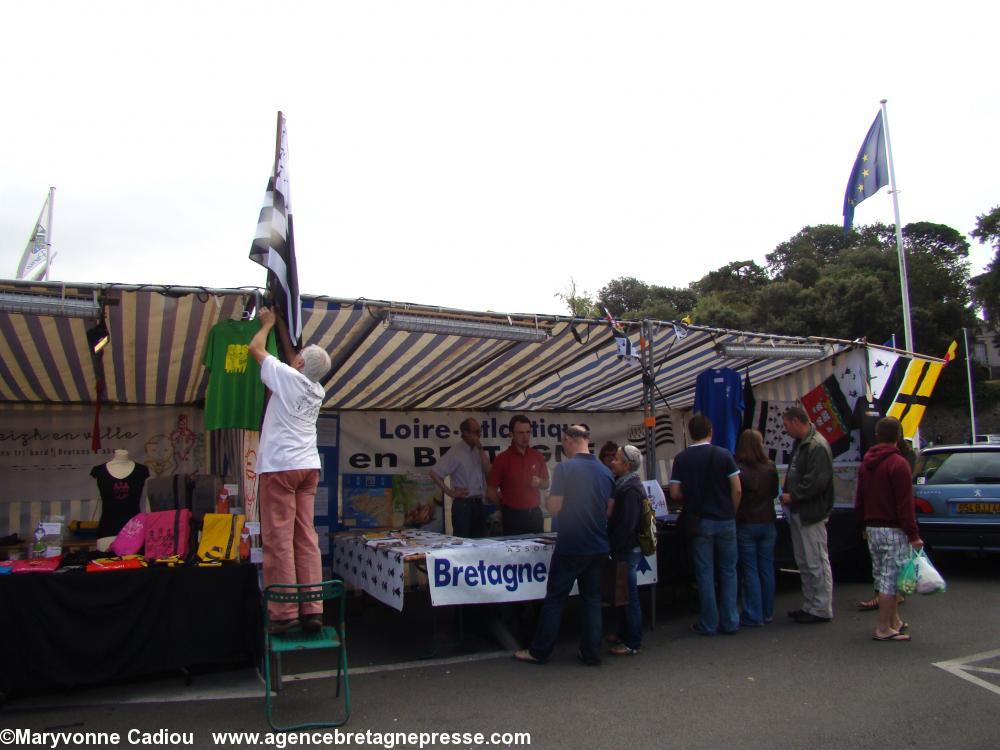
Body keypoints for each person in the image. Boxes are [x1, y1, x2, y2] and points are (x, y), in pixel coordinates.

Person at [249, 307, 332, 635]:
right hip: (308, 467)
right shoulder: (317, 389)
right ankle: (313, 608)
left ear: (299, 364)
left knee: (278, 538)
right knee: (306, 537)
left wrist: (267, 323)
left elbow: (255, 350)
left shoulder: (287, 378)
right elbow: (292, 360)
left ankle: (284, 613)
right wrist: (282, 326)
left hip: (281, 466)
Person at [514, 425, 614, 665]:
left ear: (569, 440)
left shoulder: (565, 469)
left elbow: (554, 507)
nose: (563, 447)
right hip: (598, 544)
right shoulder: (605, 471)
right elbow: (609, 511)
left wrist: (550, 498)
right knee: (592, 600)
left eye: (563, 442)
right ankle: (590, 653)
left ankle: (540, 651)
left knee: (556, 599)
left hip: (571, 544)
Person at [669, 414, 742, 635]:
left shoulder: (682, 458)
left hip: (699, 521)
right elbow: (737, 488)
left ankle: (709, 622)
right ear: (710, 430)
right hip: (725, 519)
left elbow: (674, 492)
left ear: (690, 432)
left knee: (705, 573)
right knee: (729, 571)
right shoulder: (724, 454)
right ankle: (730, 620)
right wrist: (732, 511)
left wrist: (691, 495)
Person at [855, 417, 923, 641]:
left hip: (873, 527)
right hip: (893, 528)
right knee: (890, 581)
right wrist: (913, 535)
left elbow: (860, 497)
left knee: (881, 575)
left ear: (877, 436)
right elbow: (905, 504)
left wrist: (863, 524)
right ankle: (883, 628)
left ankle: (895, 621)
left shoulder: (867, 462)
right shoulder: (899, 464)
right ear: (899, 436)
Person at [780, 405, 835, 624]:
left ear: (795, 421)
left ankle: (821, 607)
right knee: (804, 561)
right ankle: (810, 604)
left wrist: (793, 496)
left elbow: (816, 482)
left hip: (811, 512)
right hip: (800, 512)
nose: (785, 429)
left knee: (816, 561)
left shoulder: (816, 446)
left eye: (786, 425)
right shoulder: (801, 444)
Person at [734, 429, 779, 626]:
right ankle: (768, 612)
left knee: (750, 570)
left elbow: (736, 493)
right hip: (767, 520)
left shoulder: (738, 469)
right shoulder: (770, 466)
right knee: (766, 568)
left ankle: (754, 613)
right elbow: (774, 492)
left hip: (746, 522)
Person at [606, 444, 645, 655]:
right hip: (625, 548)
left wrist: (615, 544)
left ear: (627, 465)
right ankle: (624, 633)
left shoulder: (629, 489)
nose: (613, 462)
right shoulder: (624, 485)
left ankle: (632, 641)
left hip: (626, 549)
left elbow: (626, 524)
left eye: (617, 460)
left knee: (629, 596)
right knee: (622, 593)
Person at [487, 415, 550, 535]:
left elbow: (546, 483)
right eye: (521, 433)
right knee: (514, 553)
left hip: (535, 515)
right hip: (512, 517)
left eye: (528, 432)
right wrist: (503, 507)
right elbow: (490, 492)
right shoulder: (502, 459)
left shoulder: (537, 456)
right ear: (511, 434)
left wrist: (540, 482)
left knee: (538, 552)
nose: (525, 437)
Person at [430, 417, 491, 538]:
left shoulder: (478, 450)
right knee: (463, 540)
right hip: (464, 504)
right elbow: (434, 473)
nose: (479, 435)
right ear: (465, 433)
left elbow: (488, 470)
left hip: (479, 501)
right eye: (476, 432)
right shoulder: (456, 452)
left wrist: (480, 448)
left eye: (480, 431)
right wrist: (450, 492)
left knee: (482, 540)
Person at [91, 449, 151, 540]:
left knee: (133, 555)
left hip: (133, 528)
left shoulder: (141, 470)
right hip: (107, 528)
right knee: (106, 554)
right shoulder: (99, 470)